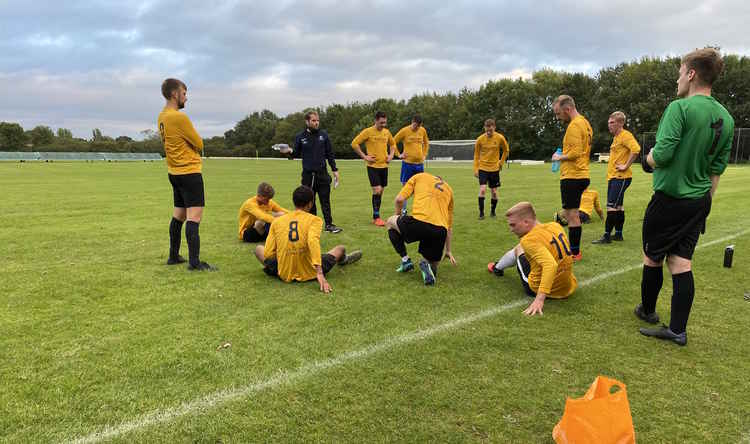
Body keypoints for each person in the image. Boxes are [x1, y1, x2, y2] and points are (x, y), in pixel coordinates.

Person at [636, 47, 734, 346]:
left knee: (652, 257)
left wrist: (646, 160)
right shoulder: (726, 118)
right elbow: (717, 169)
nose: (678, 79)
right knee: (681, 263)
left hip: (670, 199)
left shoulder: (679, 108)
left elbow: (663, 154)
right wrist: (706, 206)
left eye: (680, 72)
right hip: (699, 201)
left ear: (691, 74)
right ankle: (678, 329)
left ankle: (648, 311)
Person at [254, 186, 362, 293]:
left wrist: (285, 254)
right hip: (311, 271)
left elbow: (268, 253)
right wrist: (319, 273)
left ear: (294, 202)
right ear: (310, 203)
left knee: (258, 249)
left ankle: (287, 263)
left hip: (284, 272)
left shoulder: (277, 221)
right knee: (340, 248)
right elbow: (312, 241)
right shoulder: (315, 220)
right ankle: (344, 260)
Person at [158, 78, 215, 271]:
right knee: (194, 217)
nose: (186, 98)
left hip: (174, 173)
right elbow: (199, 143)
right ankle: (195, 262)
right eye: (184, 93)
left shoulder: (162, 116)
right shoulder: (179, 117)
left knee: (179, 215)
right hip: (189, 172)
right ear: (175, 94)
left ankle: (173, 256)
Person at [488, 202, 577, 316]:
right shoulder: (555, 226)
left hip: (545, 289)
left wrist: (539, 299)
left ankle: (497, 268)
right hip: (568, 286)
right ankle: (497, 266)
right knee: (529, 248)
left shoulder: (528, 240)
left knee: (519, 249)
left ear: (526, 222)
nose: (511, 230)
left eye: (513, 225)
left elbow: (551, 265)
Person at [385, 172, 456, 286]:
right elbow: (449, 227)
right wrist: (448, 250)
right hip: (439, 231)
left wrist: (397, 217)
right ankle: (427, 265)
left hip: (418, 223)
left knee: (389, 222)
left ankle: (405, 260)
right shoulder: (449, 190)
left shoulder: (419, 176)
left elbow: (399, 200)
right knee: (433, 265)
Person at [280, 110, 342, 233]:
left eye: (317, 120)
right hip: (308, 175)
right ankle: (312, 224)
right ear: (307, 121)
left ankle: (329, 224)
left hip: (322, 174)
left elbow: (330, 153)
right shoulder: (300, 137)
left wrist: (334, 170)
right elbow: (295, 154)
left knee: (325, 200)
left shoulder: (323, 135)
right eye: (313, 121)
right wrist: (287, 152)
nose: (316, 123)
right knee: (309, 201)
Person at [551, 95, 592, 261]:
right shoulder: (585, 123)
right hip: (581, 173)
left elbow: (575, 153)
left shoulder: (574, 125)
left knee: (572, 215)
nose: (558, 117)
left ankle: (574, 252)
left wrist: (558, 157)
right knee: (570, 213)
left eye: (558, 113)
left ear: (567, 109)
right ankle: (572, 249)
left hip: (573, 175)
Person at [592, 111, 641, 244]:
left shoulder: (626, 135)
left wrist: (625, 165)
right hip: (614, 177)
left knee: (611, 207)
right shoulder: (617, 137)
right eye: (609, 122)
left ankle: (606, 236)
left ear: (620, 123)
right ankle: (618, 234)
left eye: (612, 122)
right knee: (618, 206)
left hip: (621, 176)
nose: (609, 125)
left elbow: (636, 149)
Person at [351, 111, 397, 226]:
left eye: (385, 123)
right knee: (377, 190)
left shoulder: (386, 132)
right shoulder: (368, 131)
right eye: (381, 123)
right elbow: (354, 144)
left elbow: (393, 144)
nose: (383, 125)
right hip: (373, 167)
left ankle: (377, 215)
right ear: (375, 121)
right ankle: (376, 217)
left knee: (380, 192)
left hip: (384, 167)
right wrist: (365, 156)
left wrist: (391, 155)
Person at [473, 119, 509, 219]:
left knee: (494, 192)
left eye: (491, 130)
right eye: (487, 130)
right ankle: (481, 214)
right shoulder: (480, 139)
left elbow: (506, 150)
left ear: (494, 128)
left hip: (494, 169)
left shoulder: (500, 138)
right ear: (484, 128)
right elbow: (476, 155)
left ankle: (493, 212)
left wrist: (501, 162)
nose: (489, 132)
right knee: (483, 190)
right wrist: (475, 169)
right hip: (483, 168)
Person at [393, 114, 430, 214]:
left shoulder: (422, 130)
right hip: (407, 164)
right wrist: (398, 154)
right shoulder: (404, 131)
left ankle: (418, 210)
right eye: (415, 125)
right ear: (412, 122)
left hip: (419, 165)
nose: (417, 128)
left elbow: (426, 143)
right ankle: (404, 210)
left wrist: (424, 154)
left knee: (419, 188)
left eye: (418, 126)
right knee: (405, 188)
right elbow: (393, 142)